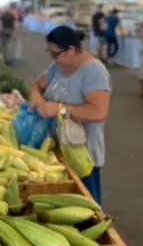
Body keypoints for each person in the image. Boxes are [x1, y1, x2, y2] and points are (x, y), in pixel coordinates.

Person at [29, 26, 112, 204]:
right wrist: (36, 97)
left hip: (82, 156)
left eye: (55, 53)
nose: (52, 58)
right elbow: (36, 85)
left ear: (72, 50)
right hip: (59, 151)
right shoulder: (58, 66)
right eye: (49, 52)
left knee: (87, 208)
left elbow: (99, 112)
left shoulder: (94, 72)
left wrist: (60, 109)